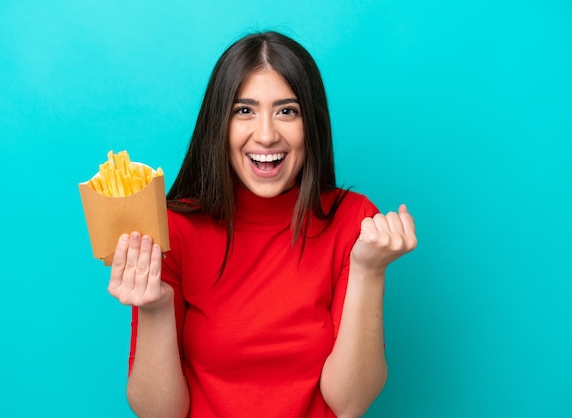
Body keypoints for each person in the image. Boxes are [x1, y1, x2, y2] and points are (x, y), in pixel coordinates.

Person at [107, 30, 417, 418]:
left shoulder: (353, 220)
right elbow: (159, 413)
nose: (267, 135)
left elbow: (350, 403)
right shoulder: (170, 229)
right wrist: (154, 309)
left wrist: (369, 270)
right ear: (218, 123)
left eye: (287, 111)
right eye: (244, 110)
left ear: (312, 124)